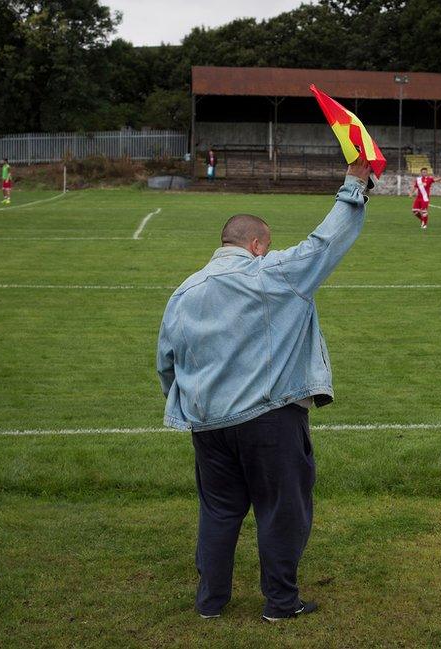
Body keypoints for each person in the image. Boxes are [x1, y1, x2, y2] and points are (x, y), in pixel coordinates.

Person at [157, 160, 373, 623]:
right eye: (266, 246)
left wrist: (193, 405)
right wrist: (356, 183)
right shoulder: (269, 274)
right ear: (256, 245)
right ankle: (280, 602)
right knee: (281, 512)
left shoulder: (184, 291)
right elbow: (325, 242)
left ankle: (210, 603)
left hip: (208, 425)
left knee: (218, 512)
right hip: (270, 420)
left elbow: (166, 364)